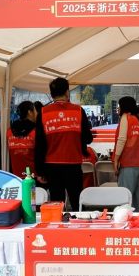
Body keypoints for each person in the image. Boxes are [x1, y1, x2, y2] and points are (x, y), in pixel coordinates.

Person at [35, 77, 93, 210]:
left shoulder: (43, 113)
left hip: (51, 166)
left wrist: (40, 171)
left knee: (57, 204)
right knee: (77, 202)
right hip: (73, 164)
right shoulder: (78, 111)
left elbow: (39, 145)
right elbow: (88, 138)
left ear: (51, 94)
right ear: (67, 92)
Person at [113, 96, 139, 211]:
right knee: (138, 198)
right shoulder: (137, 121)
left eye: (119, 105)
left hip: (128, 164)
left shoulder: (125, 117)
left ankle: (124, 220)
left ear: (124, 106)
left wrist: (116, 160)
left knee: (124, 198)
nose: (118, 108)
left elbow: (122, 139)